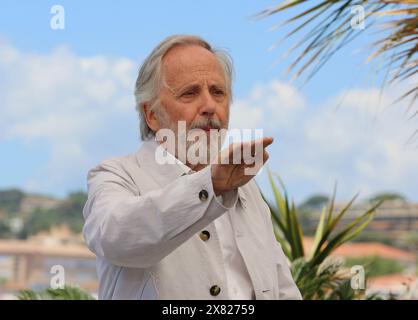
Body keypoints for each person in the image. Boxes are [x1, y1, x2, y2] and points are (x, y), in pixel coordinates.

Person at [82, 34, 302, 300]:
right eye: (190, 93)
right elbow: (115, 237)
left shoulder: (247, 188)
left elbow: (283, 288)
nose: (210, 106)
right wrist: (210, 185)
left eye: (218, 92)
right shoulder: (115, 175)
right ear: (152, 114)